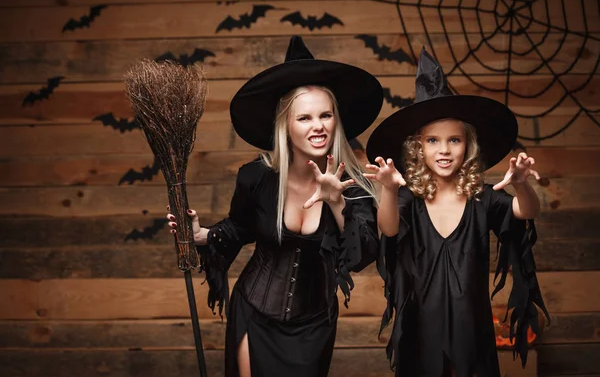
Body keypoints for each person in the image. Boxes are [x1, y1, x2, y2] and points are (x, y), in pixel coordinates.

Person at [168, 35, 383, 377]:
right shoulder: (258, 177)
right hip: (254, 312)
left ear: (336, 120)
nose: (318, 126)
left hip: (314, 326)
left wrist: (337, 200)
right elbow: (240, 228)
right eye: (304, 118)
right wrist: (203, 234)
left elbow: (362, 256)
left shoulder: (352, 185)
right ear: (285, 126)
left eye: (325, 115)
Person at [364, 48, 549, 377]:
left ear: (469, 146)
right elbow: (389, 229)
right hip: (420, 331)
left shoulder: (482, 198)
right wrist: (389, 190)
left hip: (471, 333)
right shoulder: (410, 198)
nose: (444, 150)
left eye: (454, 140)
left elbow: (524, 212)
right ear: (418, 147)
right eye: (433, 140)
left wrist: (520, 185)